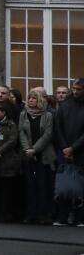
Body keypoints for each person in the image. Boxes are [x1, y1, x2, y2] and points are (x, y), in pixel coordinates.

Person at [19, 89, 56, 224]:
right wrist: (27, 149)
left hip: (44, 155)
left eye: (34, 98)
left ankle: (43, 214)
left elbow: (48, 135)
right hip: (28, 155)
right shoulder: (23, 114)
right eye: (29, 98)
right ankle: (31, 214)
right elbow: (21, 132)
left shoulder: (48, 115)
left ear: (39, 100)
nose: (30, 101)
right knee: (30, 186)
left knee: (43, 186)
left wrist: (34, 149)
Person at [52, 77, 84, 225]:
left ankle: (79, 217)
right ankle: (62, 216)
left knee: (80, 185)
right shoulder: (65, 106)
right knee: (64, 184)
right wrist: (65, 148)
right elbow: (57, 127)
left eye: (79, 89)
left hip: (81, 152)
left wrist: (73, 148)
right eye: (74, 89)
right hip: (65, 150)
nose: (75, 91)